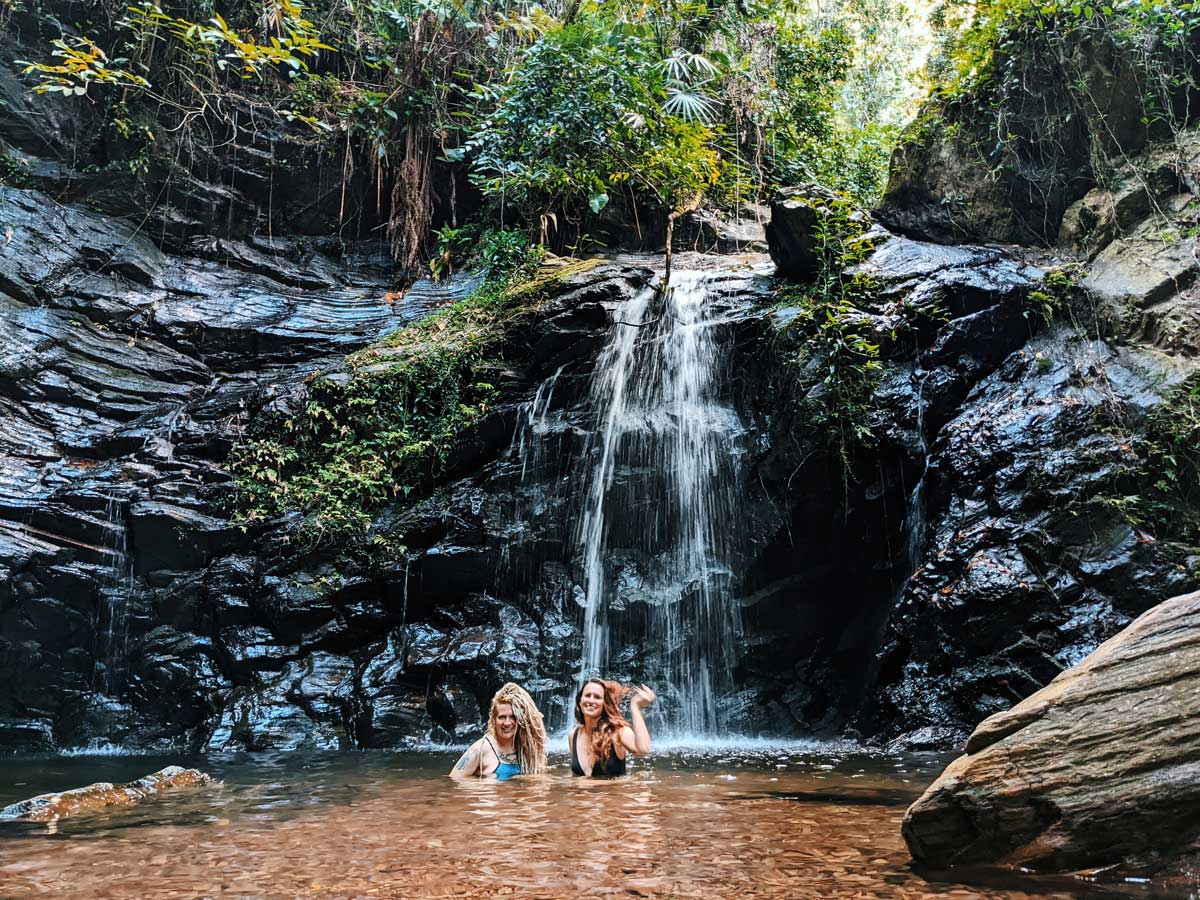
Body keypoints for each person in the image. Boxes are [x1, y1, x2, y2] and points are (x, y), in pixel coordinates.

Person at [449, 682, 548, 780]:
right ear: (493, 720)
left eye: (513, 717)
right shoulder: (480, 749)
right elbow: (454, 783)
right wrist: (482, 786)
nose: (507, 723)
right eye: (502, 717)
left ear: (522, 719)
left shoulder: (529, 747)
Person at [569, 679, 655, 778]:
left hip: (613, 793)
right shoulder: (573, 735)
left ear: (604, 704)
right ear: (580, 701)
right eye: (588, 695)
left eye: (597, 697)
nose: (591, 701)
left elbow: (644, 749)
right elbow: (575, 776)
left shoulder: (618, 732)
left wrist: (635, 705)